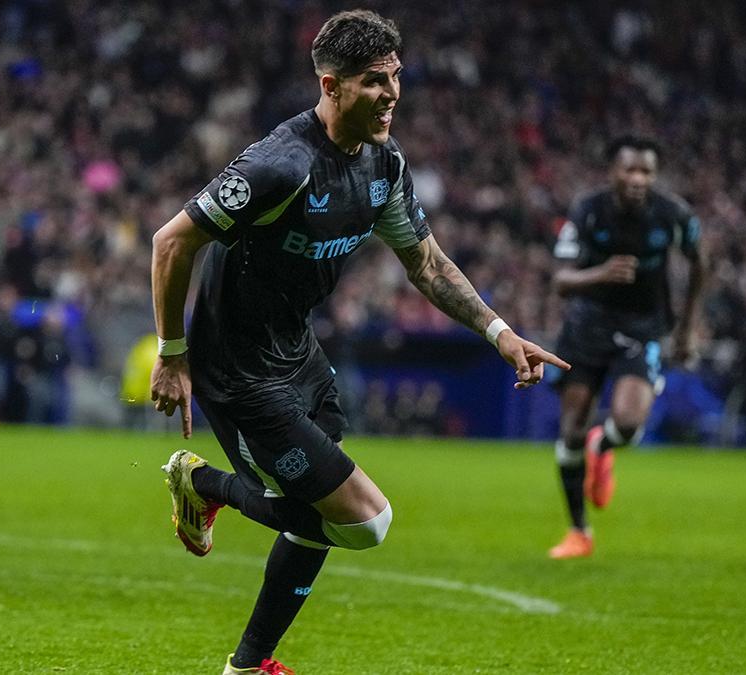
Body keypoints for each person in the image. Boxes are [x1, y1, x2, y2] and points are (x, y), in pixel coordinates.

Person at [149, 11, 568, 674]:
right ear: (332, 84)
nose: (393, 93)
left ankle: (246, 666)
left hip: (299, 354)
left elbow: (425, 262)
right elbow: (172, 241)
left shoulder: (384, 165)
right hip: (238, 370)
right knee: (365, 521)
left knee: (312, 514)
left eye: (396, 77)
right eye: (375, 81)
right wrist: (173, 353)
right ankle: (204, 483)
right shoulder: (277, 165)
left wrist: (499, 330)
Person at [546, 135, 704, 559]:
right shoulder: (588, 209)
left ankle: (606, 446)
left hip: (641, 328)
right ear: (613, 172)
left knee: (630, 424)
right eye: (630, 170)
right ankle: (579, 531)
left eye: (646, 172)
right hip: (587, 327)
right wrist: (600, 273)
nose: (638, 179)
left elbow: (699, 263)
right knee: (570, 430)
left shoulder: (673, 214)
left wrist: (686, 330)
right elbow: (561, 280)